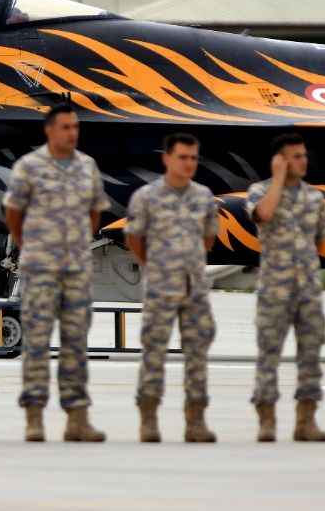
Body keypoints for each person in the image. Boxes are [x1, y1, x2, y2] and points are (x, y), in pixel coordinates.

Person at [4, 102, 109, 442]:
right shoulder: (29, 167)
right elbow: (13, 214)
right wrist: (31, 247)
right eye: (65, 127)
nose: (72, 133)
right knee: (36, 342)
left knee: (76, 343)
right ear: (49, 130)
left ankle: (77, 418)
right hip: (40, 270)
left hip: (75, 270)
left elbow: (95, 212)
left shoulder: (87, 166)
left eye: (75, 127)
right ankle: (34, 418)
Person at [125, 132, 218, 443]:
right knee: (154, 353)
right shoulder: (146, 197)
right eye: (182, 157)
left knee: (197, 354)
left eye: (193, 158)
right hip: (160, 288)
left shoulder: (204, 196)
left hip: (194, 288)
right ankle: (148, 419)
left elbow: (208, 238)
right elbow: (134, 238)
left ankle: (196, 421)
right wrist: (154, 267)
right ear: (167, 158)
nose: (188, 163)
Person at [245, 132, 325, 442]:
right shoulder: (260, 191)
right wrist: (279, 179)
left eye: (304, 155)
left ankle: (306, 421)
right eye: (295, 156)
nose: (303, 161)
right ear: (279, 160)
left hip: (307, 289)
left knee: (311, 355)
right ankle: (266, 420)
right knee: (269, 354)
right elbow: (264, 214)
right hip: (275, 289)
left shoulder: (315, 198)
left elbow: (321, 241)